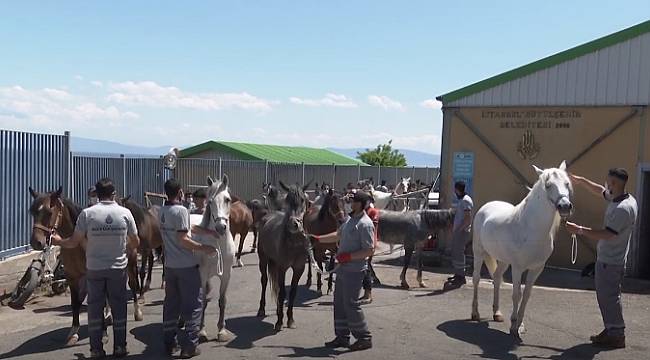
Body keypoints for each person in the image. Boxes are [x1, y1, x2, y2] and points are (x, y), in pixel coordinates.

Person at [52, 178, 139, 358]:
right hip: (118, 269)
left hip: (94, 269)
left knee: (95, 309)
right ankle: (120, 347)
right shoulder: (125, 213)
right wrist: (122, 244)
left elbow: (74, 241)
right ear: (114, 194)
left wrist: (59, 241)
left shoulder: (87, 214)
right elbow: (136, 242)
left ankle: (96, 349)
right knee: (119, 308)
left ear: (96, 195)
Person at [565, 168, 638, 349]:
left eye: (609, 181)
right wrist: (581, 180)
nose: (606, 184)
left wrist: (579, 230)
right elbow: (600, 190)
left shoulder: (623, 209)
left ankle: (616, 335)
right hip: (611, 259)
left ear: (614, 183)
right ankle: (612, 329)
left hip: (611, 261)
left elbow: (607, 234)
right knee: (608, 297)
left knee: (609, 297)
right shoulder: (624, 198)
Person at [160, 179, 216, 358]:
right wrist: (204, 248)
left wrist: (207, 232)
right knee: (194, 305)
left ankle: (169, 342)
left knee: (171, 305)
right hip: (186, 266)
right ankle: (190, 346)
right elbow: (183, 238)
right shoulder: (182, 210)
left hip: (170, 266)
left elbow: (184, 228)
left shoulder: (162, 210)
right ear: (180, 193)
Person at [325, 191, 375, 351]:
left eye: (352, 201)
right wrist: (317, 238)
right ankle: (342, 337)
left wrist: (349, 257)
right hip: (342, 269)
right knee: (339, 303)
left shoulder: (365, 224)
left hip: (354, 271)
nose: (349, 203)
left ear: (359, 204)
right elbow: (337, 236)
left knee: (351, 304)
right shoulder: (349, 220)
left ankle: (364, 338)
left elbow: (369, 250)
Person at [448, 181, 473, 287]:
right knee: (457, 253)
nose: (454, 192)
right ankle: (458, 274)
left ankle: (461, 277)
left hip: (462, 232)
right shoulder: (462, 200)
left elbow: (468, 218)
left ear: (457, 189)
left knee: (459, 253)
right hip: (459, 231)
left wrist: (459, 230)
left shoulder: (466, 200)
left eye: (455, 190)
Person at [360, 200, 379, 305]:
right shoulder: (366, 211)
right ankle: (366, 293)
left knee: (366, 268)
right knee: (366, 268)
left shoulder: (373, 211)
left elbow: (373, 227)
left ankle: (368, 294)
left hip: (369, 244)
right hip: (366, 243)